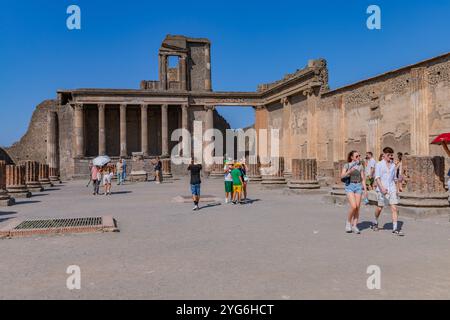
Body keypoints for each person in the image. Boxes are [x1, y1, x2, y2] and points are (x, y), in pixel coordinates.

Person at [373, 147, 403, 235]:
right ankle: (375, 221)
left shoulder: (393, 165)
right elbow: (377, 178)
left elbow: (394, 178)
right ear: (384, 155)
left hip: (391, 188)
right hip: (381, 189)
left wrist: (397, 188)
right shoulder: (379, 164)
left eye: (391, 155)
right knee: (379, 208)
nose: (391, 157)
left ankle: (395, 228)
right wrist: (382, 188)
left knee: (394, 208)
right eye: (389, 155)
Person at [341, 151, 367, 234]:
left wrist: (365, 189)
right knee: (353, 206)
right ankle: (348, 223)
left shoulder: (361, 166)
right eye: (356, 156)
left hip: (358, 186)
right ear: (352, 157)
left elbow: (362, 178)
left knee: (358, 208)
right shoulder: (347, 165)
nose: (358, 157)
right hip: (350, 186)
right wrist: (349, 171)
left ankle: (355, 225)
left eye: (359, 156)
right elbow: (342, 176)